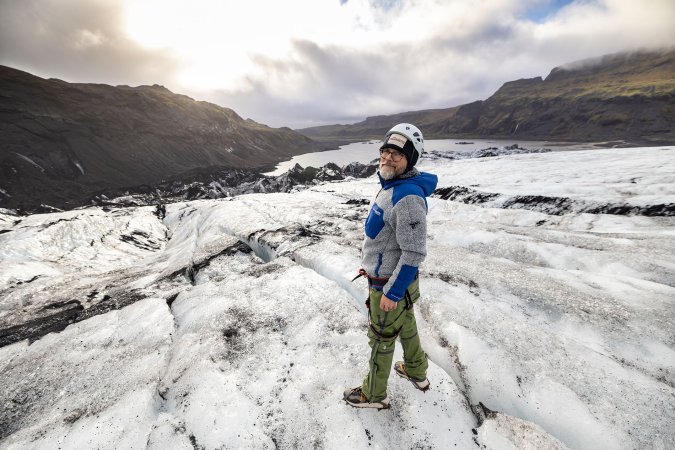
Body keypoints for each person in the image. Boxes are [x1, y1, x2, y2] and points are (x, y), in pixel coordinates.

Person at [343, 123, 438, 410]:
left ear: (411, 158)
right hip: (396, 283)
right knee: (406, 325)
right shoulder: (392, 186)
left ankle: (374, 394)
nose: (387, 157)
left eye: (397, 153)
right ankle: (416, 371)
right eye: (385, 150)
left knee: (382, 339)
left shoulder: (406, 197)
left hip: (389, 284)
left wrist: (391, 293)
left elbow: (413, 253)